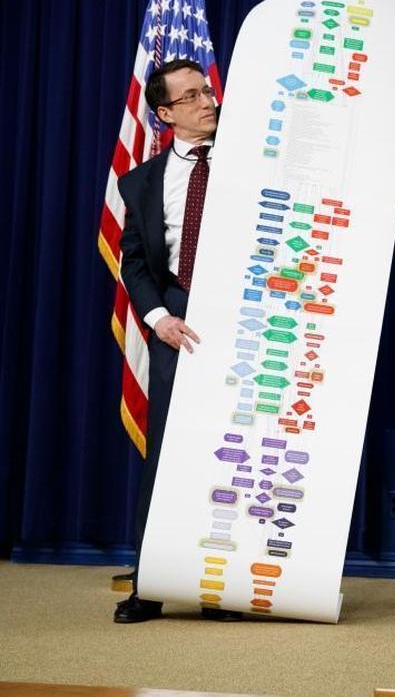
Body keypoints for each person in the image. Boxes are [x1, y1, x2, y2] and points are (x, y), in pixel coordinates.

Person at [114, 59, 240, 623]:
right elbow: (135, 263)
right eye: (190, 97)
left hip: (247, 323)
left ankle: (220, 587)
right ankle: (151, 584)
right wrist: (159, 317)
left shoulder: (250, 161)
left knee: (232, 458)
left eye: (207, 90)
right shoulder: (139, 180)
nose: (206, 101)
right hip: (177, 326)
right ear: (164, 114)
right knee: (166, 458)